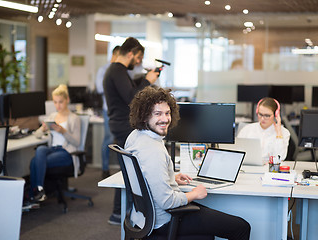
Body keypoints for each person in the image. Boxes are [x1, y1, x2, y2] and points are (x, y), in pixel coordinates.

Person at [125, 86, 251, 239]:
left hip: (142, 218)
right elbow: (167, 201)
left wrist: (170, 178)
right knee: (241, 227)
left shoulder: (135, 136)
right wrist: (194, 194)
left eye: (167, 113)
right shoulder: (154, 150)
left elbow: (145, 174)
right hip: (165, 219)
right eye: (157, 114)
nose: (165, 119)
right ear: (144, 116)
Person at [104, 37, 159, 225]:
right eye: (138, 58)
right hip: (123, 126)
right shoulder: (116, 70)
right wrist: (147, 81)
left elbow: (128, 92)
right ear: (131, 53)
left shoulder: (116, 71)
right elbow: (131, 97)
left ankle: (120, 212)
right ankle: (119, 212)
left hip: (120, 125)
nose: (139, 62)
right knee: (131, 171)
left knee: (129, 170)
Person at [30, 84, 81, 202]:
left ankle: (35, 193)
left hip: (66, 152)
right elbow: (37, 135)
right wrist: (42, 129)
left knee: (35, 162)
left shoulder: (74, 118)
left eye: (61, 102)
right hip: (53, 149)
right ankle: (39, 190)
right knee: (40, 150)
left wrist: (63, 131)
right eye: (55, 102)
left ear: (67, 100)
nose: (58, 105)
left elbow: (76, 142)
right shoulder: (52, 116)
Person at [237, 97, 290, 162]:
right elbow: (237, 154)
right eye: (260, 114)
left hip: (270, 169)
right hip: (249, 167)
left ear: (276, 115)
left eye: (267, 115)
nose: (262, 118)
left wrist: (279, 133)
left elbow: (280, 157)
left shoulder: (284, 132)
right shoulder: (247, 129)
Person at [96, 45, 120, 179]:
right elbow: (100, 88)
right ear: (114, 55)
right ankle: (105, 168)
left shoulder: (123, 71)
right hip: (108, 110)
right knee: (109, 139)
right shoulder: (103, 70)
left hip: (121, 111)